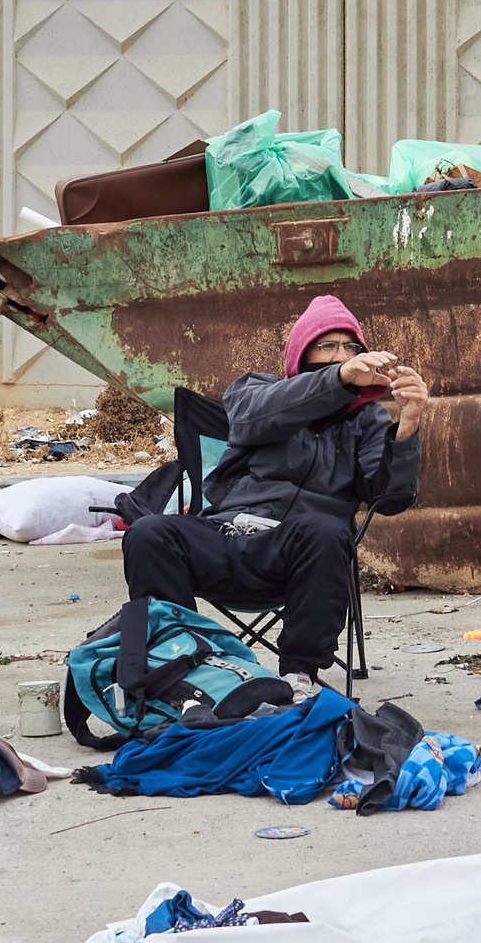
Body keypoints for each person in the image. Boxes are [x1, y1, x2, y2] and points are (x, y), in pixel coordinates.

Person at [121, 294, 429, 697]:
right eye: (329, 346)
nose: (344, 356)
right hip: (225, 536)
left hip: (296, 554)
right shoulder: (256, 391)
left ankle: (298, 677)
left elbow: (390, 497)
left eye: (352, 347)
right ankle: (183, 664)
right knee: (148, 534)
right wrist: (337, 380)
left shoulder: (367, 421)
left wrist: (406, 430)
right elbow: (253, 418)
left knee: (326, 530)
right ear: (302, 353)